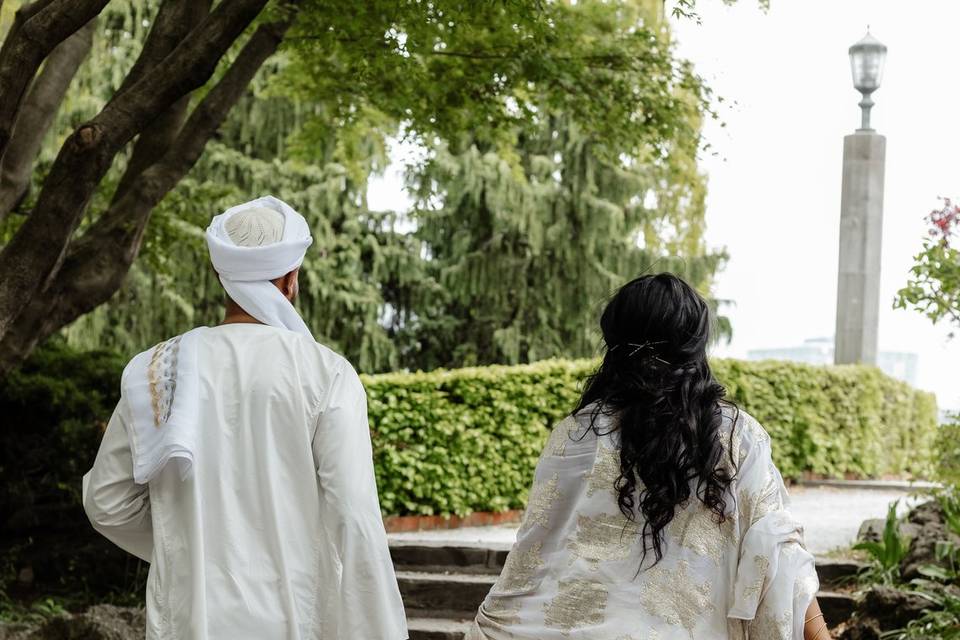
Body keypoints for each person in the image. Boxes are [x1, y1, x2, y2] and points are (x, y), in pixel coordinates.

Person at [82, 196, 407, 640]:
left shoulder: (157, 369)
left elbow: (107, 503)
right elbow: (354, 516)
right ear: (291, 280)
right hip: (295, 615)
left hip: (189, 618)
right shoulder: (326, 372)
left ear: (222, 277)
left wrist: (189, 547)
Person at [469, 273, 826, 640]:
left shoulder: (577, 433)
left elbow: (533, 554)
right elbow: (779, 554)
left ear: (614, 342)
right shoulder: (737, 436)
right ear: (695, 345)